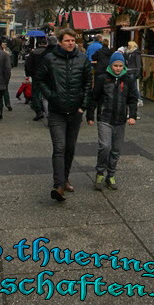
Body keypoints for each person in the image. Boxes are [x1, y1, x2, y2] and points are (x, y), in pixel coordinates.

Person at [36, 28, 92, 202]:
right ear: (60, 41)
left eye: (73, 41)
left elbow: (88, 83)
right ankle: (58, 185)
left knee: (70, 148)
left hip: (75, 111)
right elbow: (39, 79)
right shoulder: (50, 59)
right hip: (56, 111)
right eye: (67, 40)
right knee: (59, 147)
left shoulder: (82, 59)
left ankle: (65, 179)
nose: (70, 43)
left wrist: (83, 105)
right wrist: (51, 95)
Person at [87, 51, 137, 191]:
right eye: (116, 65)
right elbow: (94, 97)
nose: (118, 68)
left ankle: (111, 174)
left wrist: (132, 115)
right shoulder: (103, 78)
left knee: (116, 149)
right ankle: (100, 172)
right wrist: (90, 115)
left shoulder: (128, 79)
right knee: (105, 146)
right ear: (111, 65)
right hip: (105, 117)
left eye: (121, 66)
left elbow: (132, 98)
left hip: (120, 119)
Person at [25, 36, 55, 121]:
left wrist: (29, 74)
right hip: (48, 76)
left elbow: (28, 65)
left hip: (36, 76)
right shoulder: (49, 52)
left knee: (36, 93)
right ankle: (47, 110)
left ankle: (39, 111)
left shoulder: (34, 53)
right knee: (46, 94)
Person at [124, 40, 143, 106]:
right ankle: (136, 99)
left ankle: (139, 99)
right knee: (131, 86)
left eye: (129, 45)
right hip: (129, 71)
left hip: (133, 72)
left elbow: (138, 64)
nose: (128, 46)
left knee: (134, 87)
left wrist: (137, 73)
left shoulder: (136, 53)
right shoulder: (129, 53)